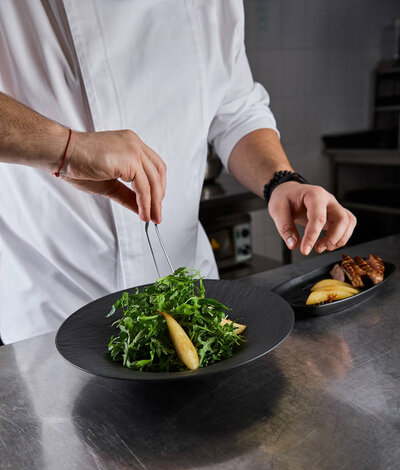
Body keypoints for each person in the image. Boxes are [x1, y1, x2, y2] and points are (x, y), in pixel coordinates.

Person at [0, 1, 356, 344]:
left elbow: (235, 111)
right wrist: (66, 147)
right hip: (54, 308)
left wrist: (281, 180)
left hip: (192, 290)